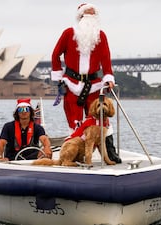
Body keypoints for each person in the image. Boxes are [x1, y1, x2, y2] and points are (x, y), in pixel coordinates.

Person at [50, 3, 121, 163]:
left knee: (102, 119)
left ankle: (110, 152)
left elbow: (106, 60)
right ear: (80, 17)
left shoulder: (101, 36)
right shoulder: (68, 33)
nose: (90, 18)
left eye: (93, 15)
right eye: (86, 14)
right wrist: (59, 78)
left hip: (94, 85)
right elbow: (55, 55)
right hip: (71, 84)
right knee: (74, 121)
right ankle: (76, 153)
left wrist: (108, 78)